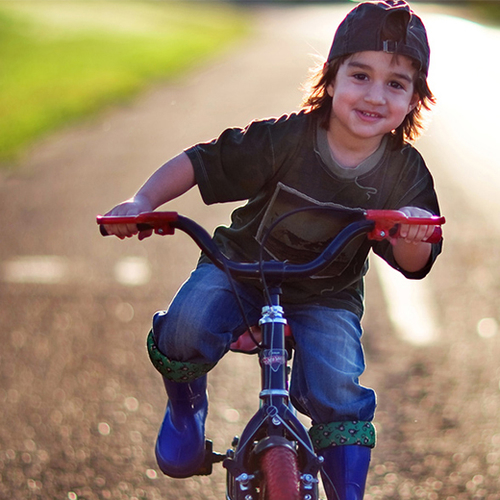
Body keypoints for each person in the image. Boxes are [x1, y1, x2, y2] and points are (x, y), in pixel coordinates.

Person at [102, 1, 442, 498]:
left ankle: (344, 486)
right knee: (186, 325)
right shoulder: (289, 137)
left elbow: (416, 265)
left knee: (340, 386)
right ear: (331, 79)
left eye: (396, 83)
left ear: (415, 99)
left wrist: (411, 233)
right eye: (360, 75)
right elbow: (203, 162)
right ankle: (185, 406)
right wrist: (143, 201)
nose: (374, 95)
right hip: (241, 267)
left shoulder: (403, 171)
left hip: (327, 293)